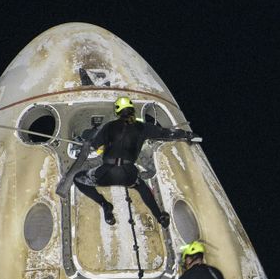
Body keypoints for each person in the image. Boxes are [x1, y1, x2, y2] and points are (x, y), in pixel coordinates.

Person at [69, 96, 195, 226]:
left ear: (117, 112)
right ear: (132, 110)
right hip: (128, 174)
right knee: (141, 186)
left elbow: (93, 145)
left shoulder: (108, 126)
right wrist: (187, 135)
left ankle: (105, 205)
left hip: (106, 173)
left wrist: (85, 142)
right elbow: (167, 133)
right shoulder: (143, 127)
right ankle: (160, 216)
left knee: (78, 178)